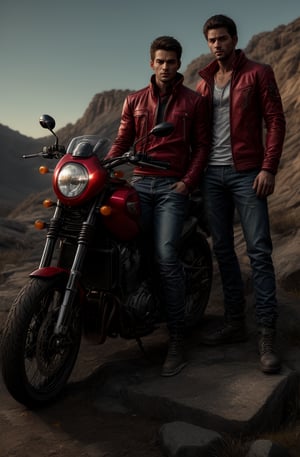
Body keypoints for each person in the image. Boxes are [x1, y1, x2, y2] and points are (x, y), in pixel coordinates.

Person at [106, 35, 209, 376]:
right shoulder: (134, 100)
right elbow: (122, 140)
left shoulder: (193, 102)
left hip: (170, 187)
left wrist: (186, 183)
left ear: (180, 64)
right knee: (125, 246)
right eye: (160, 61)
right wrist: (105, 169)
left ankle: (177, 340)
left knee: (165, 255)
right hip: (140, 183)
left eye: (172, 62)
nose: (166, 67)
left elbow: (201, 148)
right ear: (151, 63)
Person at [196, 15, 286, 374]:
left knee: (259, 251)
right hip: (211, 176)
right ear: (208, 44)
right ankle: (235, 323)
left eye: (223, 38)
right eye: (212, 40)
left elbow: (276, 120)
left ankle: (266, 334)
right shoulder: (203, 82)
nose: (218, 44)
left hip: (247, 172)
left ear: (234, 39)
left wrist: (268, 167)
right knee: (222, 250)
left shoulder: (258, 73)